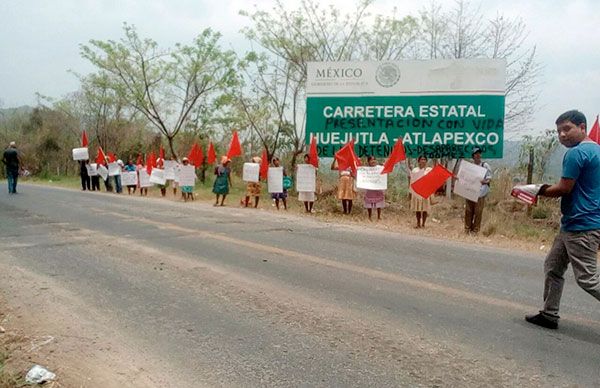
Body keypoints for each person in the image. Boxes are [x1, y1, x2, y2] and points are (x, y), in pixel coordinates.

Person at [525, 110, 600, 330]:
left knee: (588, 278)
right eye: (559, 131)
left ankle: (549, 313)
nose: (562, 135)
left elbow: (564, 189)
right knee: (553, 266)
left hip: (581, 224)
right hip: (579, 223)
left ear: (582, 127)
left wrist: (535, 190)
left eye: (567, 129)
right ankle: (549, 314)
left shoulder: (576, 153)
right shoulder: (597, 150)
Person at [464, 147, 492, 234]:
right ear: (473, 156)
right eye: (476, 153)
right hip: (470, 192)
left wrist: (482, 181)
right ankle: (467, 229)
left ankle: (475, 231)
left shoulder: (485, 165)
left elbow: (489, 179)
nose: (478, 155)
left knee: (478, 212)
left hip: (480, 193)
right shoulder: (470, 166)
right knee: (468, 211)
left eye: (479, 153)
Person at [410, 155, 432, 228]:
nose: (423, 161)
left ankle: (423, 224)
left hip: (426, 191)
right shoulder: (415, 170)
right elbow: (412, 181)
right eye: (421, 159)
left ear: (426, 161)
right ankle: (418, 223)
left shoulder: (429, 170)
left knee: (425, 208)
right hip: (417, 191)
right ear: (418, 161)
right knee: (417, 208)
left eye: (424, 159)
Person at [363, 156, 385, 221]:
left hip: (378, 187)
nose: (373, 161)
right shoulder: (366, 169)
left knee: (379, 202)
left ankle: (379, 217)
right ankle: (369, 217)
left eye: (374, 159)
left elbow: (386, 170)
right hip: (369, 188)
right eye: (371, 160)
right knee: (369, 202)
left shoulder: (379, 168)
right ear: (368, 161)